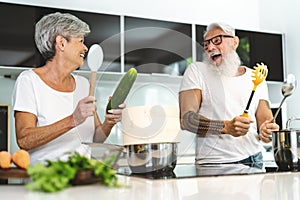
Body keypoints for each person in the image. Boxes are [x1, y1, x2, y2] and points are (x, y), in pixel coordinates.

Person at [12, 12, 125, 164]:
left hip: (80, 177)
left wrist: (109, 122)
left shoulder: (84, 84)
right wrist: (73, 120)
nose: (85, 48)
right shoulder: (29, 81)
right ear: (61, 43)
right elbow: (24, 140)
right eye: (80, 41)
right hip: (45, 180)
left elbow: (96, 138)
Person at [179, 22, 279, 167]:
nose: (210, 47)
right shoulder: (196, 71)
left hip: (253, 160)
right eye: (206, 44)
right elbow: (186, 119)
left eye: (217, 40)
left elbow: (265, 120)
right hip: (213, 163)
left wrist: (268, 131)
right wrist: (226, 127)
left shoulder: (256, 77)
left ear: (234, 42)